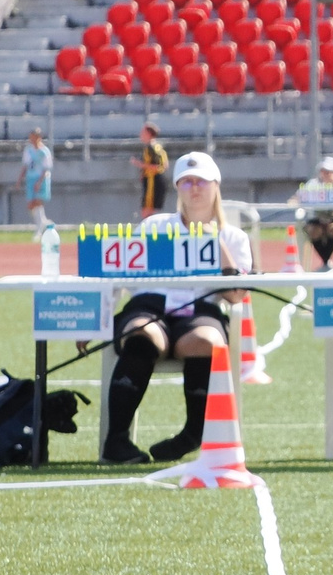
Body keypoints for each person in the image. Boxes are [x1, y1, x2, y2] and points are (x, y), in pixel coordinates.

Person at [100, 151, 254, 463]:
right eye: (186, 182)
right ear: (177, 189)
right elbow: (118, 275)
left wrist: (216, 244)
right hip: (149, 306)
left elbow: (237, 296)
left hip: (200, 311)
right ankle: (115, 441)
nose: (194, 188)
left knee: (206, 342)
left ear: (216, 186)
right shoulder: (154, 226)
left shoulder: (234, 237)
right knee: (142, 335)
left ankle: (192, 434)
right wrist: (98, 318)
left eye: (202, 181)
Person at [298, 154, 333, 269]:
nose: (325, 174)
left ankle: (326, 261)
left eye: (328, 171)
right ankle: (325, 261)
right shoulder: (312, 184)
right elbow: (299, 197)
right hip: (315, 220)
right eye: (323, 170)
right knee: (314, 231)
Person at [21, 127, 54, 231]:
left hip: (41, 178)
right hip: (30, 178)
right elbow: (25, 165)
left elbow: (46, 168)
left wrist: (40, 182)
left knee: (38, 201)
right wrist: (20, 179)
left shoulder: (44, 151)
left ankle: (39, 229)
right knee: (31, 204)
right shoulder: (28, 150)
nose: (32, 140)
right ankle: (45, 223)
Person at [132, 122, 169, 215]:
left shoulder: (152, 148)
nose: (140, 135)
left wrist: (140, 165)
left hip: (152, 181)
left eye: (142, 132)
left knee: (147, 213)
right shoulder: (157, 146)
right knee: (148, 212)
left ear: (148, 134)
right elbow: (166, 164)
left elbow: (160, 166)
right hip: (152, 180)